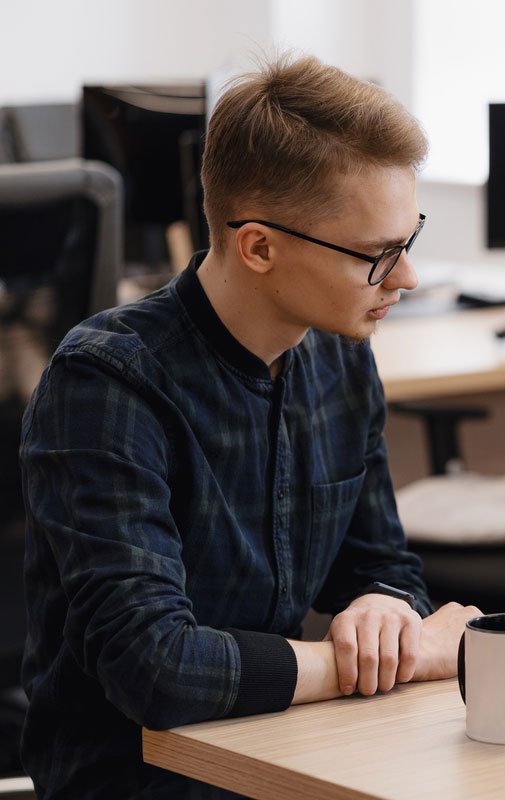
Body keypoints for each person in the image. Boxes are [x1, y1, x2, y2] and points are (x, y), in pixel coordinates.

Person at [19, 54, 479, 798]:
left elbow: (384, 567)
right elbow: (154, 668)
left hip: (293, 752)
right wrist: (397, 656)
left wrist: (382, 610)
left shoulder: (338, 354)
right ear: (258, 246)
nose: (407, 278)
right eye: (376, 255)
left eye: (408, 240)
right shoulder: (107, 382)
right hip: (135, 781)